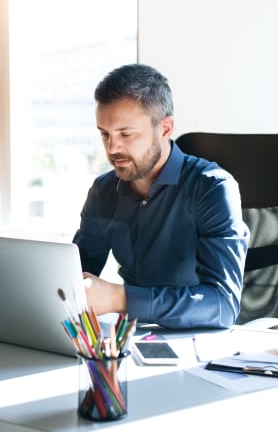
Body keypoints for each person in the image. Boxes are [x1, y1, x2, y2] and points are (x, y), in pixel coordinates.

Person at [73, 63, 249, 329]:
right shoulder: (103, 191)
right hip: (133, 339)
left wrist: (120, 298)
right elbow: (74, 276)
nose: (112, 147)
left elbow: (223, 306)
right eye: (104, 134)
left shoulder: (212, 188)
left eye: (126, 133)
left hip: (201, 343)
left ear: (165, 128)